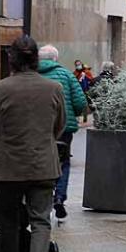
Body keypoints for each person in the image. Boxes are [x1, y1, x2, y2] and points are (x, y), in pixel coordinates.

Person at [0, 36, 65, 252]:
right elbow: (58, 125)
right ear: (36, 59)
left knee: (8, 221)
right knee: (40, 220)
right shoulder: (53, 88)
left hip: (8, 167)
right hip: (43, 165)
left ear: (11, 59)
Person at [38, 45, 87, 220]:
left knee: (39, 160)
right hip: (64, 127)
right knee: (63, 161)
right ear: (55, 59)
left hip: (38, 127)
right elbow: (80, 101)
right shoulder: (67, 75)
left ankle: (40, 199)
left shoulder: (32, 74)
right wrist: (77, 113)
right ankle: (59, 197)